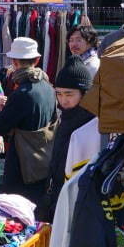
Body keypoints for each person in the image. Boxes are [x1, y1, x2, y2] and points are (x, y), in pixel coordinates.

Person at [0, 37, 59, 204]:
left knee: (17, 209)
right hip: (44, 159)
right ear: (37, 60)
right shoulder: (48, 86)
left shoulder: (22, 93)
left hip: (21, 164)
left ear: (14, 61)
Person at [41, 59, 96, 222]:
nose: (63, 100)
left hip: (78, 200)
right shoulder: (66, 117)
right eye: (59, 93)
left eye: (69, 94)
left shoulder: (91, 124)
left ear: (84, 93)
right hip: (59, 193)